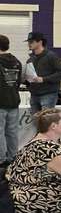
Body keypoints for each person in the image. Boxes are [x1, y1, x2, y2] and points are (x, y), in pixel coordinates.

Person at [24, 32, 61, 113]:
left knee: (47, 120)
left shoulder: (51, 56)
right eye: (28, 42)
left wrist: (44, 79)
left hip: (48, 94)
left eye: (31, 42)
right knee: (35, 122)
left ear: (40, 42)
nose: (29, 44)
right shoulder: (30, 59)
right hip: (34, 94)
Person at [0, 34, 22, 167]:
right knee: (12, 132)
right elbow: (18, 82)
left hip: (0, 101)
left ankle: (1, 159)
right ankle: (13, 157)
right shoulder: (17, 62)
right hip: (13, 100)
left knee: (0, 131)